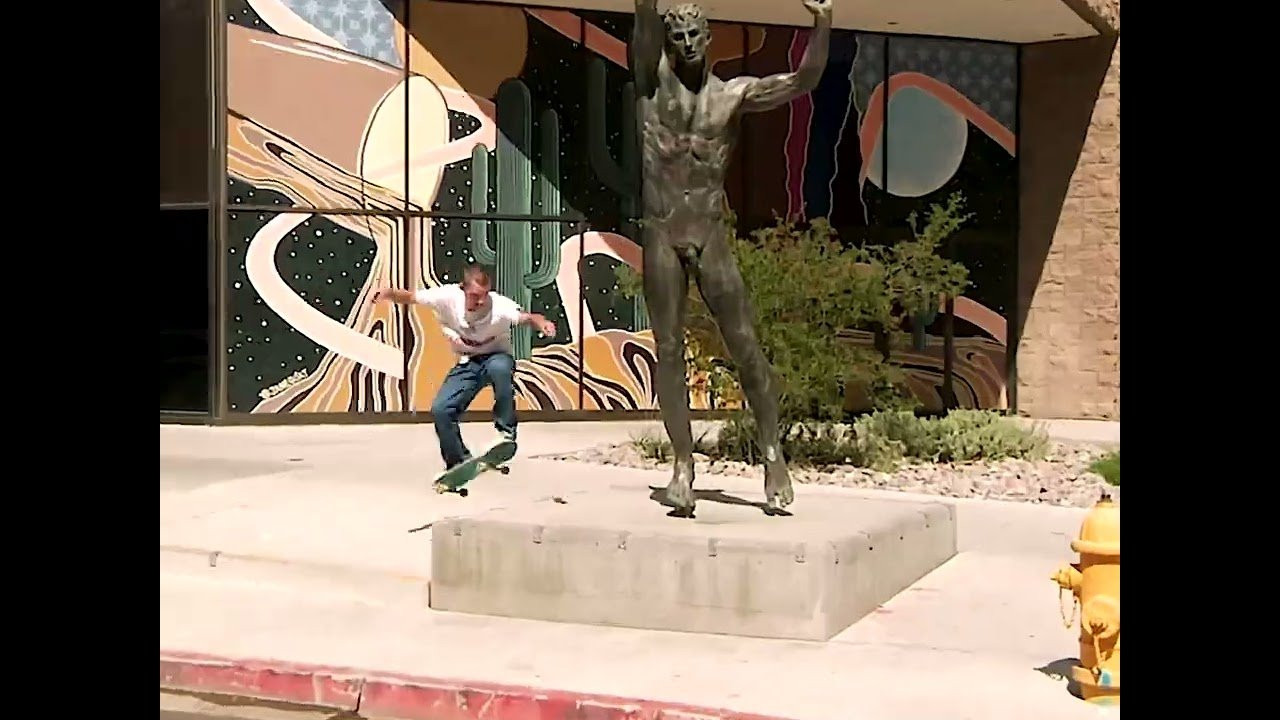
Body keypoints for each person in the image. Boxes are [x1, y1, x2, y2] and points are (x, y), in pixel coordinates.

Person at [372, 266, 556, 471]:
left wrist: (543, 323)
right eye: (475, 296)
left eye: (484, 296)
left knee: (500, 369)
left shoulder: (499, 307)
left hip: (496, 357)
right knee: (441, 410)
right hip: (467, 363)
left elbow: (529, 317)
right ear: (462, 289)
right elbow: (411, 297)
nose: (480, 302)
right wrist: (388, 293)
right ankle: (458, 461)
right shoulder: (446, 296)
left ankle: (506, 433)